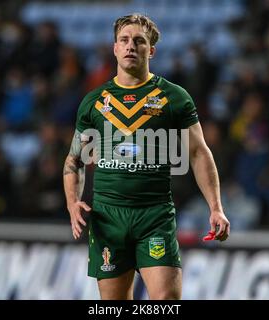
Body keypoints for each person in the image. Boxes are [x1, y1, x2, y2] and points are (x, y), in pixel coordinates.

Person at [63, 14, 230, 300]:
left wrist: (215, 207)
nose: (131, 46)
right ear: (115, 48)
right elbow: (74, 159)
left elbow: (199, 152)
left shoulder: (174, 98)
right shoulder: (93, 102)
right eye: (124, 40)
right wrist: (72, 202)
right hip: (108, 217)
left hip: (154, 215)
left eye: (139, 41)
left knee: (166, 301)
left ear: (150, 50)